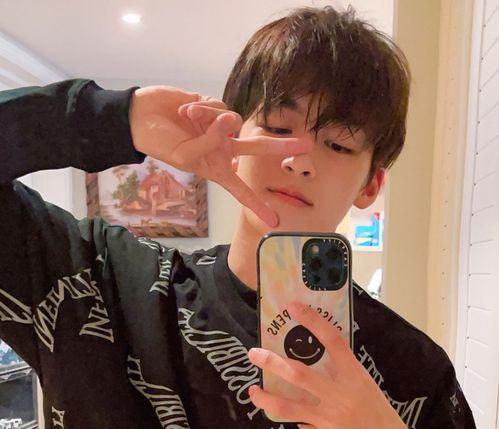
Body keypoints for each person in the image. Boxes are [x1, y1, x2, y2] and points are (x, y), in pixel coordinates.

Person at [0, 6, 475, 429]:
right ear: (233, 138)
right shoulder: (98, 283)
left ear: (370, 185)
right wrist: (113, 117)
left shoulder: (417, 373)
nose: (299, 160)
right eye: (279, 127)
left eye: (337, 144)